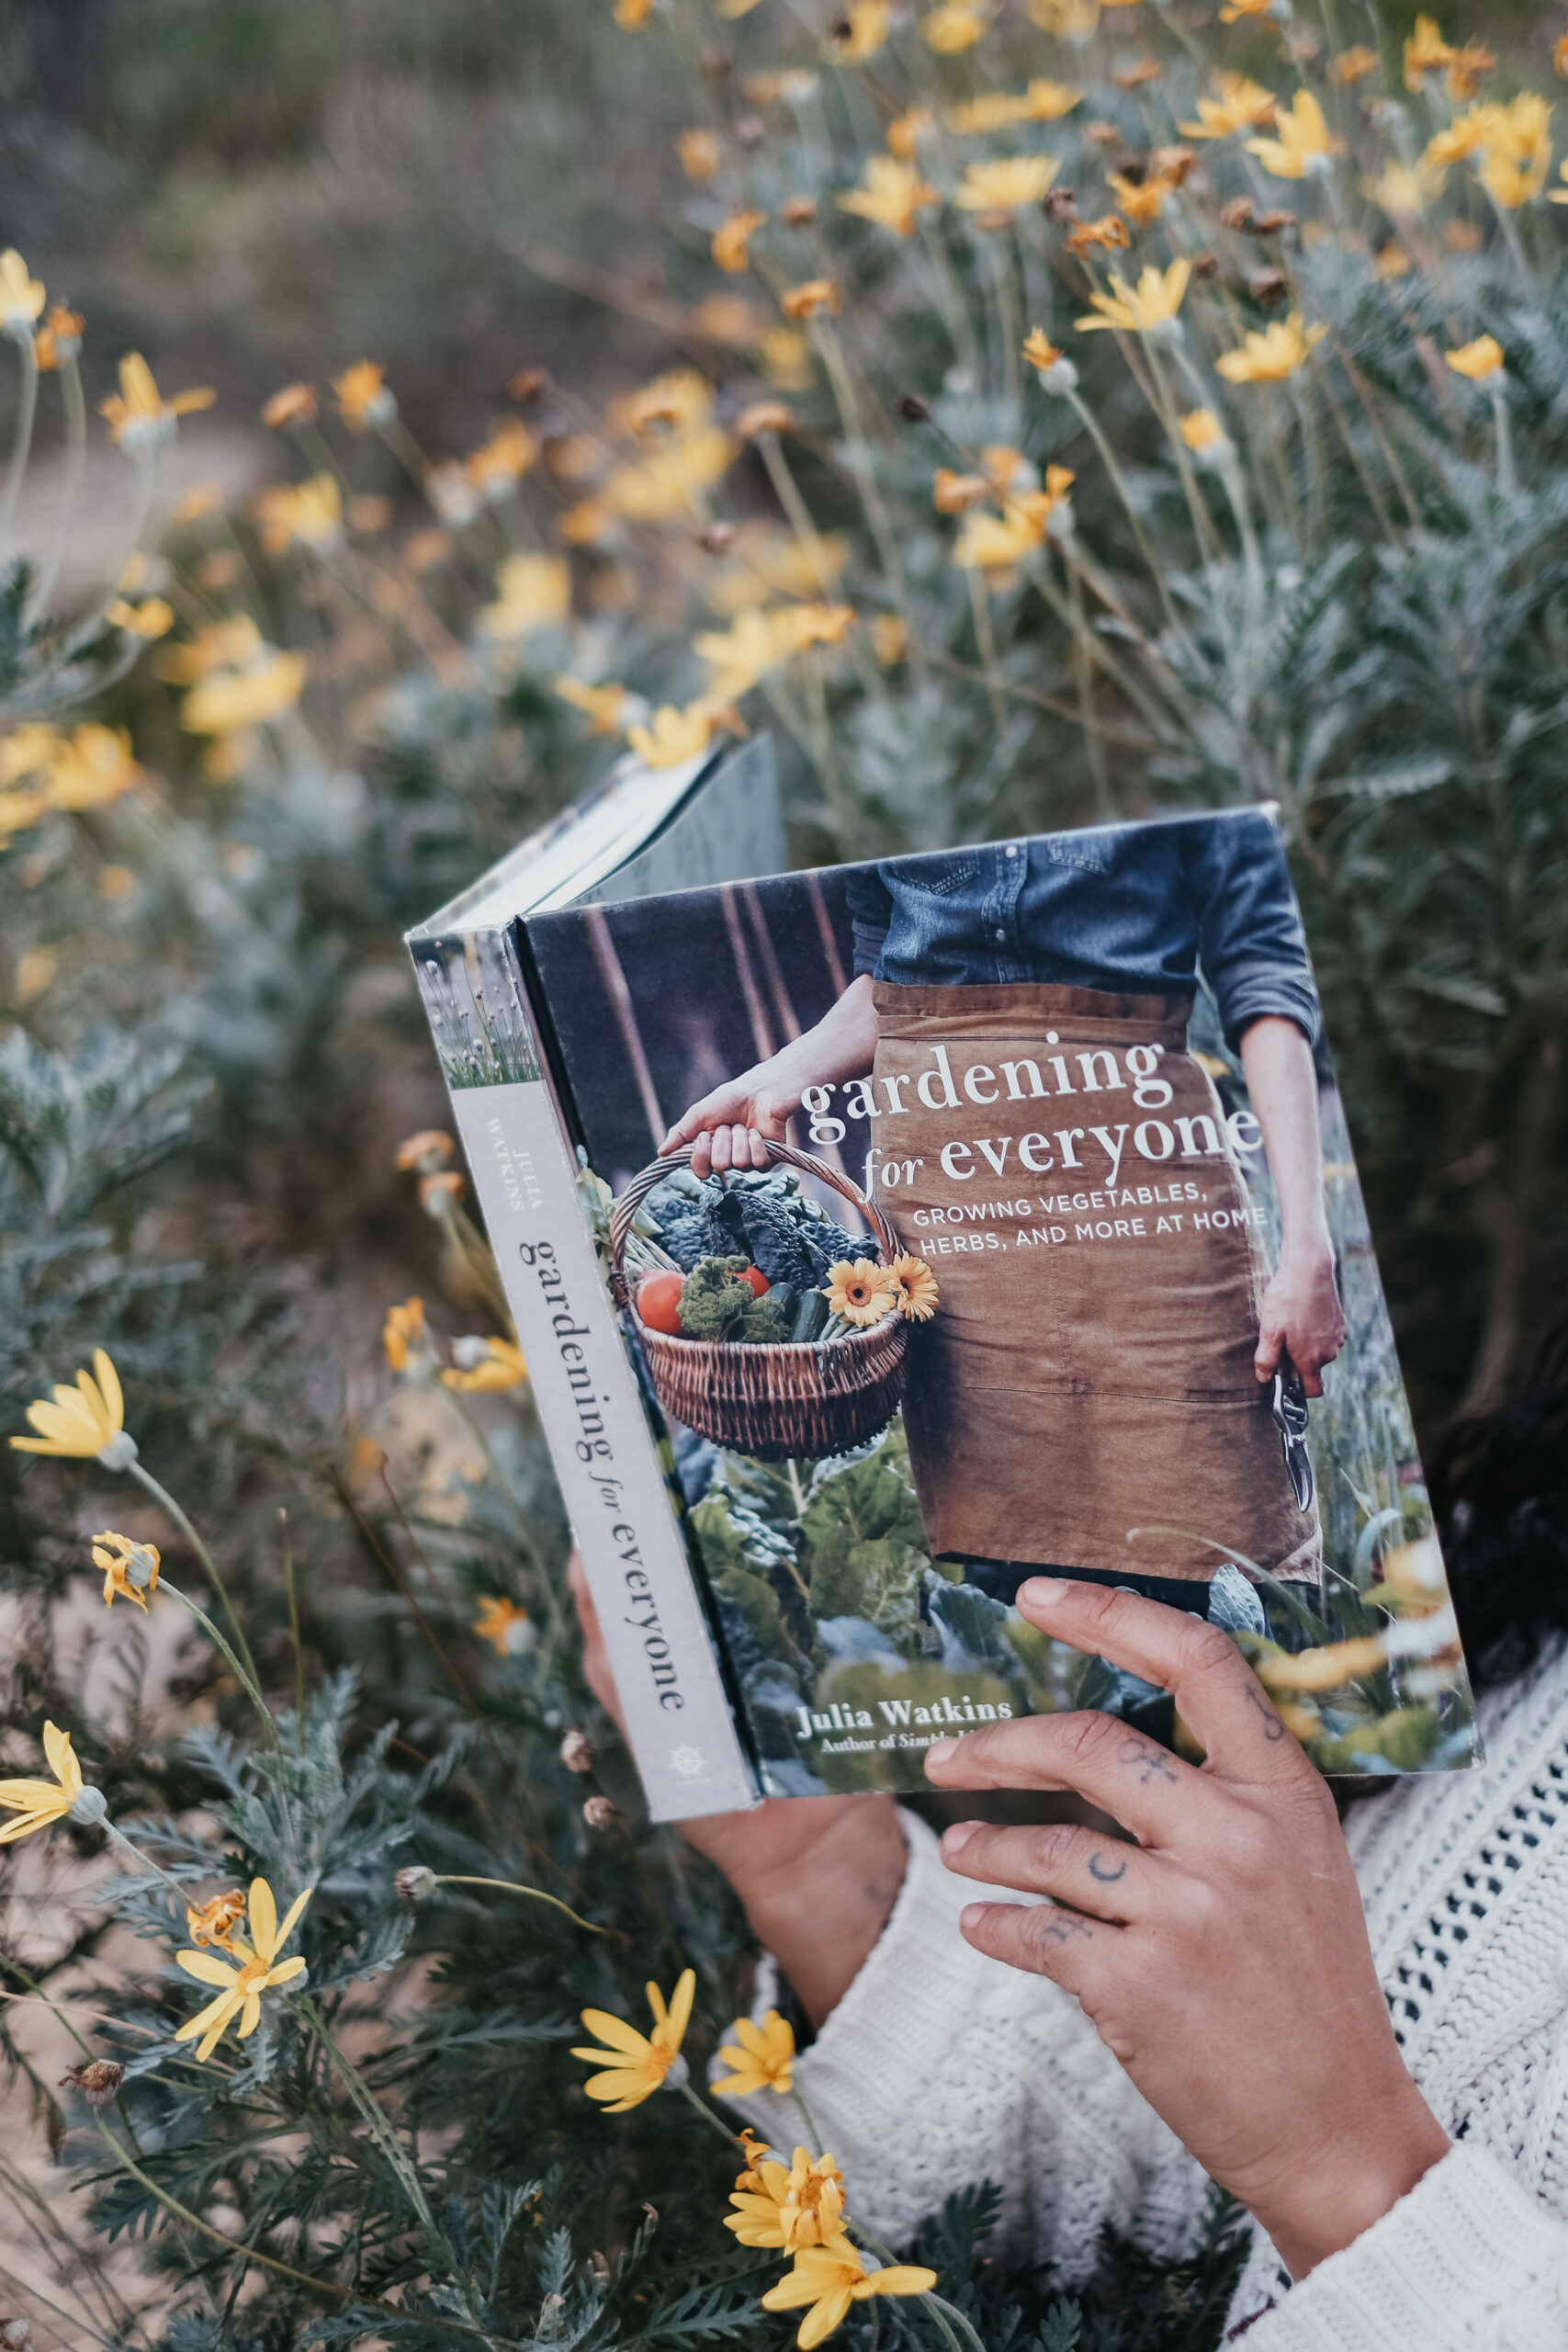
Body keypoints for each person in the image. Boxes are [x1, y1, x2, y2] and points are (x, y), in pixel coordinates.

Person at [570, 1329, 1568, 2352]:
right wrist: (822, 1864)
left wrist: (1346, 2168)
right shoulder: (1519, 1575)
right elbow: (1177, 2231)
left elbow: (1298, 2168)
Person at [661, 811, 1346, 1618]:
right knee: (1010, 1574)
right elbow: (889, 989)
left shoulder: (1165, 776)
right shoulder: (877, 784)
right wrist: (777, 1078)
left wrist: (1309, 1244)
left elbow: (1260, 974)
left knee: (1215, 1540)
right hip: (953, 1195)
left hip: (1137, 1175)